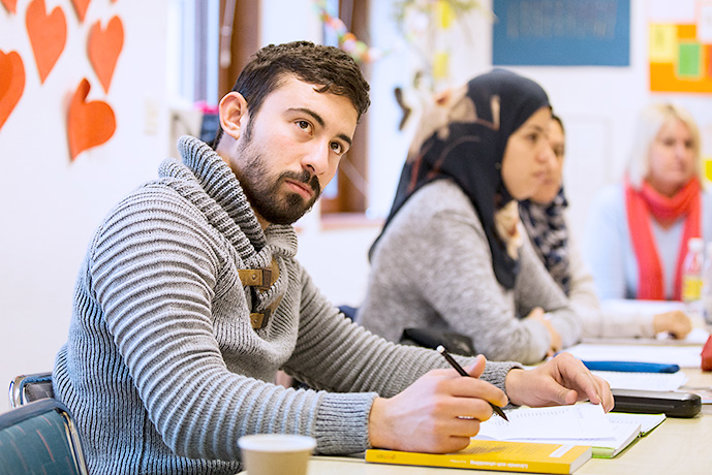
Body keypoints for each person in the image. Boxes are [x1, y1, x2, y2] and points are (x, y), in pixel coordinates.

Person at [52, 43, 612, 474]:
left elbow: (362, 361)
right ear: (234, 116)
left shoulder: (268, 246)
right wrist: (380, 421)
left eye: (337, 145)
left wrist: (512, 382)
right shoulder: (157, 223)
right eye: (303, 126)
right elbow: (191, 406)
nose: (318, 159)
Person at [356, 69, 581, 365]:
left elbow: (565, 313)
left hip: (445, 398)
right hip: (389, 400)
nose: (547, 157)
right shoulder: (443, 213)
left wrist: (539, 330)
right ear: (487, 140)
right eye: (532, 137)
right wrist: (542, 329)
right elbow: (503, 345)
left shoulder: (498, 215)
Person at [521, 116, 691, 339]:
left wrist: (563, 323)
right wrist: (651, 322)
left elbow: (586, 301)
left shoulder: (556, 216)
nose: (551, 163)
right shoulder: (510, 220)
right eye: (668, 143)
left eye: (559, 151)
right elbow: (550, 316)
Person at [584, 103, 712, 303]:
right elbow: (605, 301)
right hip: (631, 331)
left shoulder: (708, 201)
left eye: (688, 144)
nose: (681, 154)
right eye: (669, 143)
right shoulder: (611, 205)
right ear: (644, 147)